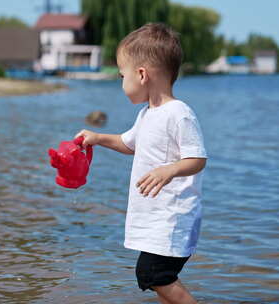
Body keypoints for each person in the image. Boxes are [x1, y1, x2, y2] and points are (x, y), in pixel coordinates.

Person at [75, 23, 207, 304]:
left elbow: (197, 159)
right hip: (155, 216)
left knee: (153, 275)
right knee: (158, 278)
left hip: (173, 216)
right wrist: (98, 137)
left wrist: (170, 169)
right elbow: (128, 144)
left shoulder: (178, 113)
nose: (121, 83)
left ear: (142, 74)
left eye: (123, 76)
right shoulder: (147, 114)